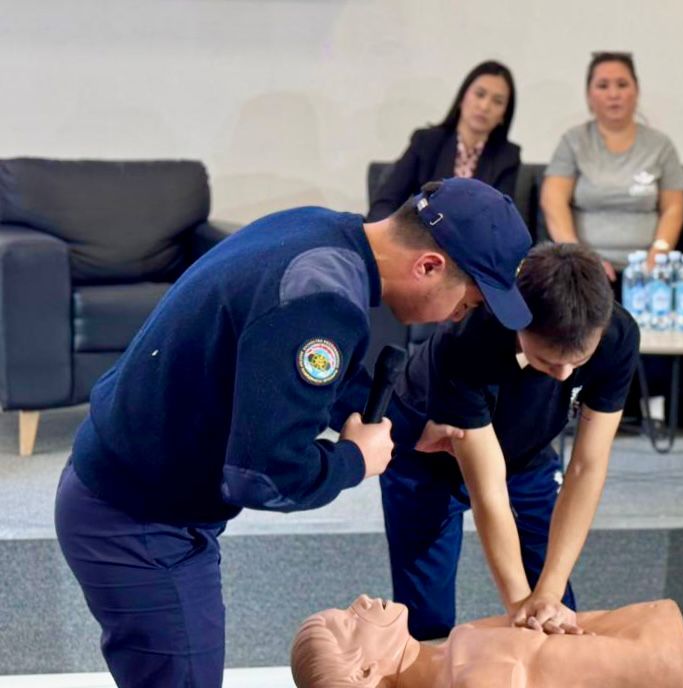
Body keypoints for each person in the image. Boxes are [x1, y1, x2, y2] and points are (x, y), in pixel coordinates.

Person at [54, 178, 533, 688]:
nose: (463, 315)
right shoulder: (321, 303)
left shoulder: (316, 232)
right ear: (430, 266)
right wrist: (353, 460)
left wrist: (410, 428)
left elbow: (292, 374)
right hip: (138, 522)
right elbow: (264, 475)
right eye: (471, 301)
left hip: (127, 484)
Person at [377, 243, 639, 640]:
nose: (565, 374)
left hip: (528, 453)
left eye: (578, 362)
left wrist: (546, 595)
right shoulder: (465, 342)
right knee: (428, 618)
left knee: (556, 606)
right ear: (519, 321)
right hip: (427, 457)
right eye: (549, 361)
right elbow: (488, 488)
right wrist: (519, 608)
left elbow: (587, 466)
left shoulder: (618, 335)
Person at [290, 595, 683, 687]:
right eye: (347, 623)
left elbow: (553, 625)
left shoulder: (459, 642)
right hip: (662, 657)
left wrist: (554, 612)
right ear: (364, 671)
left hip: (656, 634)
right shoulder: (469, 679)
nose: (359, 602)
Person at [540, 51, 683, 280]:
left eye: (622, 84)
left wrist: (658, 253)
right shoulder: (573, 141)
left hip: (647, 269)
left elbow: (674, 207)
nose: (613, 94)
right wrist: (580, 258)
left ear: (636, 92)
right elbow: (553, 201)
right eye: (603, 85)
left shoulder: (660, 145)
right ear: (589, 95)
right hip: (584, 270)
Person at [369, 61, 521, 221]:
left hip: (472, 244)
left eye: (497, 101)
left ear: (504, 114)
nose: (484, 106)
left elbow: (501, 221)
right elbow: (385, 203)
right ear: (462, 98)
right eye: (480, 94)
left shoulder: (507, 157)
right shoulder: (426, 142)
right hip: (420, 239)